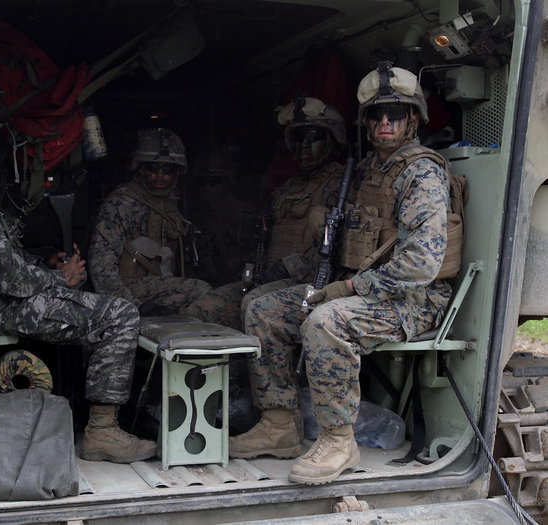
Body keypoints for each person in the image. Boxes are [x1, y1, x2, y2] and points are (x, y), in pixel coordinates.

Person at [231, 62, 455, 486]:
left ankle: (339, 440)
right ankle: (280, 424)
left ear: (414, 119)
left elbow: (418, 267)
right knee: (264, 309)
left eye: (396, 113)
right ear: (365, 122)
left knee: (326, 322)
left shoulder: (421, 172)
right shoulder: (369, 168)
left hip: (412, 302)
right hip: (361, 291)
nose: (385, 122)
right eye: (376, 115)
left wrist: (347, 288)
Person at [0, 95, 155, 464]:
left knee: (101, 310)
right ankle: (102, 431)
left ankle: (90, 415)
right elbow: (3, 276)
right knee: (119, 315)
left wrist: (44, 262)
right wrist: (58, 279)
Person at [88, 128, 240, 327]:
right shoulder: (121, 204)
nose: (159, 177)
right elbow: (102, 264)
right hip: (128, 292)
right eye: (152, 169)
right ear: (140, 169)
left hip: (159, 288)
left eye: (167, 170)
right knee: (199, 291)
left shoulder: (172, 204)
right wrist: (127, 309)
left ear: (177, 172)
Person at [240, 97, 347, 314]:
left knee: (254, 305)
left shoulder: (343, 186)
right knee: (207, 307)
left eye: (313, 138)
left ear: (332, 141)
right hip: (267, 278)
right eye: (297, 138)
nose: (304, 147)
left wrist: (289, 267)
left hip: (311, 282)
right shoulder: (286, 188)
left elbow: (340, 249)